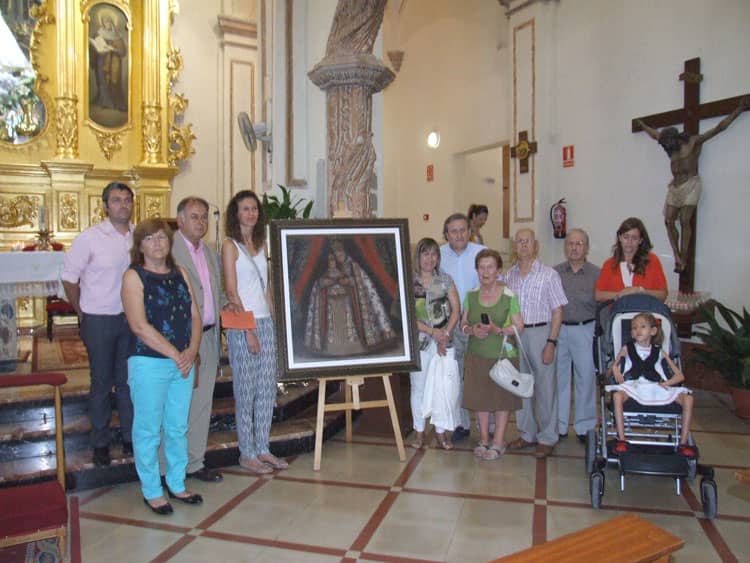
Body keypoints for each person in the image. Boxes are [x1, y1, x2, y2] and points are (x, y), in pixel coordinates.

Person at [121, 219, 203, 515]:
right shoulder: (133, 276)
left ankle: (177, 483)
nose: (157, 243)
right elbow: (138, 326)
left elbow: (195, 315)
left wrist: (191, 351)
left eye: (162, 237)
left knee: (178, 426)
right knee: (148, 429)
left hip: (182, 362)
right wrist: (176, 354)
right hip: (149, 362)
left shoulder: (180, 272)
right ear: (140, 245)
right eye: (150, 238)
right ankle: (152, 490)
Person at [61, 182, 135, 467]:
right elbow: (69, 277)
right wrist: (82, 312)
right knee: (102, 384)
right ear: (105, 205)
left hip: (131, 320)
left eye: (127, 200)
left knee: (128, 383)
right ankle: (100, 443)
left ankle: (130, 438)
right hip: (99, 320)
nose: (123, 205)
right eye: (116, 200)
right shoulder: (90, 238)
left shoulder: (138, 237)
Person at [637, 96, 749, 272]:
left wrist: (738, 110)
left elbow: (720, 128)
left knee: (684, 220)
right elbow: (654, 135)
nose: (666, 148)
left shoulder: (693, 142)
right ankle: (677, 256)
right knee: (668, 220)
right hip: (675, 187)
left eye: (668, 144)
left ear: (675, 139)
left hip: (691, 184)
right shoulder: (669, 145)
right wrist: (642, 125)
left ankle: (684, 257)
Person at [222, 190, 288, 475]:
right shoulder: (230, 246)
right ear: (235, 214)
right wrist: (248, 330)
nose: (250, 213)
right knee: (246, 390)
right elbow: (231, 291)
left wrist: (274, 323)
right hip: (242, 324)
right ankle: (246, 453)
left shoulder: (262, 244)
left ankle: (263, 447)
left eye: (254, 209)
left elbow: (267, 288)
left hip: (264, 322)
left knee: (266, 389)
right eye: (245, 209)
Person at [172, 197, 224, 483]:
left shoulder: (211, 253)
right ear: (180, 219)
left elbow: (217, 295)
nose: (201, 222)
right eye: (194, 216)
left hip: (209, 337)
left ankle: (195, 462)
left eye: (204, 216)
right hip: (180, 341)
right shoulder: (167, 251)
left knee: (202, 403)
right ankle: (170, 467)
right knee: (176, 406)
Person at [505, 228, 567, 458]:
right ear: (515, 246)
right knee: (521, 385)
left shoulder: (549, 275)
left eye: (527, 241)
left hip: (541, 333)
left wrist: (551, 342)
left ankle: (548, 437)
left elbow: (558, 311)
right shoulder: (508, 276)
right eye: (519, 241)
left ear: (536, 245)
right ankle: (526, 433)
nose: (523, 245)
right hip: (516, 336)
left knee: (545, 388)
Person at [460, 249, 524, 461]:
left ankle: (498, 442)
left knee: (501, 401)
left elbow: (519, 326)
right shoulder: (470, 295)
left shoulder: (508, 296)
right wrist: (472, 330)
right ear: (477, 270)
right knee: (481, 400)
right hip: (477, 355)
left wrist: (498, 330)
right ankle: (484, 439)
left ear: (498, 271)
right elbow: (463, 324)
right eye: (481, 267)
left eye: (490, 267)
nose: (485, 272)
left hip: (502, 356)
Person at [608, 313, 695, 457]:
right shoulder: (627, 348)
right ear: (631, 333)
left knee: (688, 399)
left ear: (653, 331)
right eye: (634, 328)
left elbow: (680, 376)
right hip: (634, 386)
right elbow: (611, 370)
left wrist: (666, 383)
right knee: (617, 396)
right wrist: (615, 368)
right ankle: (622, 440)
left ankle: (683, 443)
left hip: (656, 386)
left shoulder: (659, 351)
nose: (638, 330)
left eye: (642, 326)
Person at [439, 213, 486, 444]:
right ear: (446, 234)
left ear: (470, 232)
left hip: (478, 324)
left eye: (462, 230)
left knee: (482, 375)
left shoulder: (482, 254)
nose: (458, 235)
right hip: (450, 323)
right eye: (453, 231)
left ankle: (487, 427)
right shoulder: (438, 255)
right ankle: (461, 423)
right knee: (454, 375)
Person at [410, 238, 460, 450]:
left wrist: (445, 334)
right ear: (418, 257)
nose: (429, 259)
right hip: (420, 343)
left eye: (433, 254)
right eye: (425, 254)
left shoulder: (445, 280)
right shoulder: (410, 282)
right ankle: (419, 431)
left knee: (442, 388)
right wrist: (432, 332)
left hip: (444, 343)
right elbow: (407, 315)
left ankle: (440, 432)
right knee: (418, 388)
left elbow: (456, 310)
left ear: (438, 258)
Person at [304, 239, 396, 356]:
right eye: (336, 255)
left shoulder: (353, 266)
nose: (338, 257)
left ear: (344, 252)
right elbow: (321, 280)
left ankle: (355, 345)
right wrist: (327, 282)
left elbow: (359, 283)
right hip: (335, 303)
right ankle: (334, 347)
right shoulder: (330, 265)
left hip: (351, 303)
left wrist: (348, 281)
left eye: (340, 254)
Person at [554, 229, 600, 443]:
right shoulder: (554, 273)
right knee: (559, 379)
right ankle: (560, 425)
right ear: (565, 247)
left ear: (587, 248)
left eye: (579, 244)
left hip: (585, 329)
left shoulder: (597, 274)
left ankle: (585, 427)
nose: (574, 248)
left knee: (586, 378)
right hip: (559, 329)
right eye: (571, 243)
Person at [594, 217, 668, 303]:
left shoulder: (652, 261)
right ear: (620, 238)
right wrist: (621, 294)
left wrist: (640, 291)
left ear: (640, 240)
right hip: (619, 311)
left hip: (645, 310)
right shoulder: (609, 264)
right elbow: (598, 295)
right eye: (626, 237)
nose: (629, 242)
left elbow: (663, 295)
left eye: (634, 238)